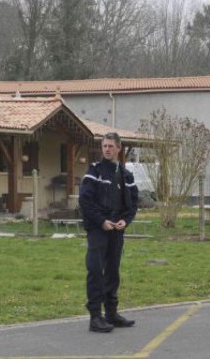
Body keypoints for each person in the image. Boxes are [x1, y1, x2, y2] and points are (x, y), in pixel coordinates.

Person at [79, 132, 139, 333]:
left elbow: (133, 202)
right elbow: (85, 201)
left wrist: (125, 220)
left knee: (113, 271)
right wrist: (101, 221)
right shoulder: (94, 172)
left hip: (116, 230)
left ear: (119, 148)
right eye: (104, 146)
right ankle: (95, 317)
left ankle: (111, 314)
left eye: (110, 146)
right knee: (95, 270)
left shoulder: (126, 175)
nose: (107, 149)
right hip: (98, 229)